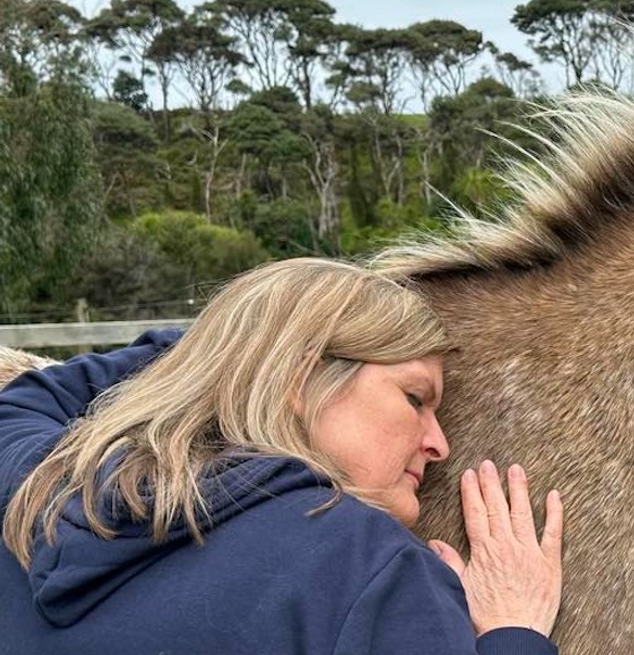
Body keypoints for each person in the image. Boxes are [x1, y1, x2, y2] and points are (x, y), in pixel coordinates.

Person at [0, 258, 565, 655]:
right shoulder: (367, 570)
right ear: (300, 377)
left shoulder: (36, 492)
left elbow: (24, 400)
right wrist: (515, 630)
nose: (438, 444)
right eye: (414, 398)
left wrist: (234, 346)